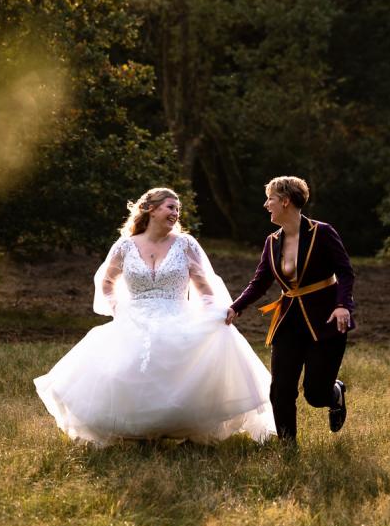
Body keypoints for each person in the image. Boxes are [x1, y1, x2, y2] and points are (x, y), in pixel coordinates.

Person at [35, 188, 276, 445]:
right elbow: (106, 280)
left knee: (178, 371)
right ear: (150, 209)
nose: (175, 213)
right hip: (134, 318)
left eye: (177, 210)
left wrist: (212, 314)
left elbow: (204, 286)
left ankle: (180, 429)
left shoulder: (185, 244)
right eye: (170, 207)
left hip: (176, 315)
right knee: (127, 370)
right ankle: (136, 431)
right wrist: (117, 307)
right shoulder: (125, 246)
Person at [225, 176, 355, 444]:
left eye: (270, 198)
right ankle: (287, 448)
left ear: (285, 201)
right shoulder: (272, 241)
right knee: (280, 389)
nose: (266, 204)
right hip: (288, 322)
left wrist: (343, 306)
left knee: (315, 394)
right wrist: (236, 307)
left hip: (327, 320)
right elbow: (260, 281)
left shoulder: (322, 232)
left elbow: (345, 272)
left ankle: (334, 393)